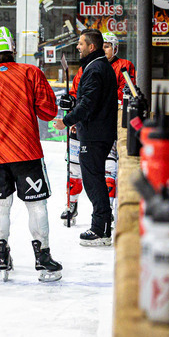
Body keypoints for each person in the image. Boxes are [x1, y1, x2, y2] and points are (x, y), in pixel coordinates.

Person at [0, 26, 62, 282]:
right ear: (13, 49)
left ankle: (1, 257)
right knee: (36, 205)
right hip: (27, 152)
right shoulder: (31, 73)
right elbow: (49, 112)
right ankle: (43, 259)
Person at [61, 31, 135, 225]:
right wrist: (71, 103)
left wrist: (72, 117)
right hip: (87, 125)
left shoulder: (121, 67)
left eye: (109, 46)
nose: (106, 49)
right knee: (76, 170)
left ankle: (105, 213)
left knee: (107, 171)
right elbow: (77, 93)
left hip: (106, 125)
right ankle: (73, 204)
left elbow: (125, 93)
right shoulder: (87, 68)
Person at [55, 28, 119, 246]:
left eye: (81, 43)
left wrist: (67, 120)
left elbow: (89, 105)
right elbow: (91, 100)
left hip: (94, 135)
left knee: (93, 181)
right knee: (95, 179)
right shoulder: (98, 66)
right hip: (97, 132)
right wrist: (74, 104)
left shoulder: (95, 69)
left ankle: (99, 230)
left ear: (92, 46)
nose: (78, 47)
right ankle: (102, 227)